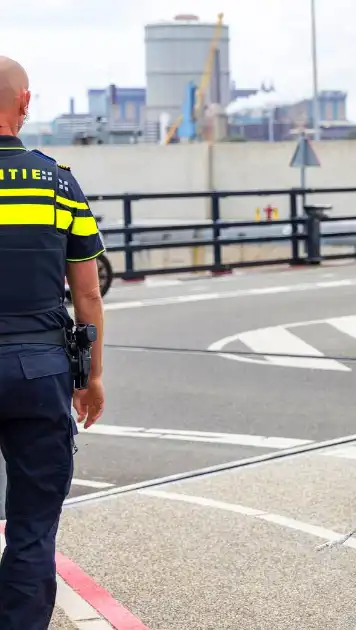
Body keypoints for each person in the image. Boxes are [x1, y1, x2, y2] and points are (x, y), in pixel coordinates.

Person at [0, 56, 106, 630]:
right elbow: (87, 297)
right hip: (40, 370)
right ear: (25, 103)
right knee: (32, 527)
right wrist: (91, 378)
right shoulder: (57, 180)